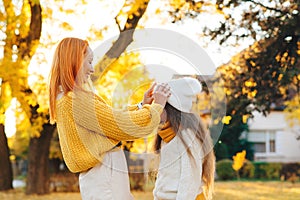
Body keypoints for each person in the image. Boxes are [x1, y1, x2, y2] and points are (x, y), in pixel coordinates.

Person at [48, 37, 171, 200]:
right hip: (105, 172)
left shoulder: (66, 99)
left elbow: (110, 119)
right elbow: (123, 125)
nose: (91, 69)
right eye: (89, 62)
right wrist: (158, 106)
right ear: (75, 61)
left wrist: (142, 105)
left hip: (100, 174)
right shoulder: (75, 100)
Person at [152, 77, 216, 200]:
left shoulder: (188, 137)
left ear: (170, 108)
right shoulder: (167, 135)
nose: (154, 109)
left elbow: (189, 181)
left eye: (159, 105)